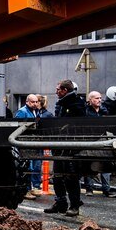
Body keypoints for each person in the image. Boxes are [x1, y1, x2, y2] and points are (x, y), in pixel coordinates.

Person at [44, 80, 85, 217]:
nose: (56, 92)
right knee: (57, 175)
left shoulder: (76, 104)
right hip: (59, 144)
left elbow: (75, 125)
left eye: (58, 89)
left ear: (65, 90)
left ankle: (74, 205)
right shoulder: (61, 104)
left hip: (70, 146)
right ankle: (60, 202)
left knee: (70, 176)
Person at [83, 91, 116, 198]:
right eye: (96, 98)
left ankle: (106, 189)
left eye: (100, 98)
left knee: (105, 165)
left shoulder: (104, 111)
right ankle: (89, 188)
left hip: (103, 139)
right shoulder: (86, 112)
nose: (99, 100)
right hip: (91, 140)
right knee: (89, 164)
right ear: (90, 100)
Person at [14, 94, 43, 199]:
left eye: (36, 102)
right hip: (26, 143)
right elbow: (17, 127)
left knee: (36, 166)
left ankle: (33, 188)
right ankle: (26, 190)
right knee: (28, 167)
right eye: (32, 102)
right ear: (27, 102)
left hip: (34, 142)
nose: (35, 104)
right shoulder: (22, 112)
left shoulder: (36, 111)